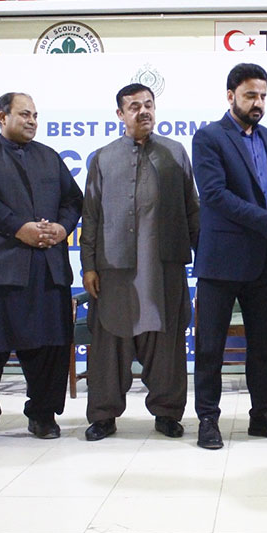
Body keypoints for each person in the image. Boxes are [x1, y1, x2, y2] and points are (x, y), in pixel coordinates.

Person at [0, 92, 83, 447]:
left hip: (45, 270)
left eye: (35, 116)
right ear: (2, 117)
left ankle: (42, 415)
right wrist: (18, 228)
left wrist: (63, 228)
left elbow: (73, 200)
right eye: (25, 114)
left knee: (50, 349)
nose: (32, 121)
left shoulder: (49, 156)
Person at [79, 83, 199, 442]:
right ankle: (103, 415)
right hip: (114, 268)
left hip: (164, 267)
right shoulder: (103, 158)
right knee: (109, 345)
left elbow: (192, 209)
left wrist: (204, 256)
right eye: (134, 107)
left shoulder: (175, 152)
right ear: (120, 114)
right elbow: (91, 215)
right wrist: (88, 265)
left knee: (166, 344)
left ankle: (167, 413)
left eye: (148, 105)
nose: (143, 111)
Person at [191, 62, 267, 450]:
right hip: (221, 260)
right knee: (210, 348)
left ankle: (261, 415)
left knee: (262, 347)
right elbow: (215, 195)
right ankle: (208, 419)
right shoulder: (209, 137)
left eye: (263, 96)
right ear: (230, 96)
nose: (258, 103)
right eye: (250, 95)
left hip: (261, 260)